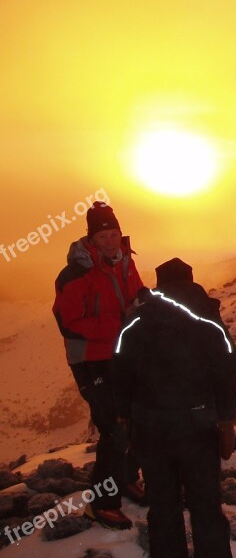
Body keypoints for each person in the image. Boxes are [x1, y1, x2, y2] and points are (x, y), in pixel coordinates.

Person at [113, 258, 236, 558]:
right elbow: (227, 371)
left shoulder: (135, 322)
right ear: (192, 281)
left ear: (159, 286)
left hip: (150, 428)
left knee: (163, 505)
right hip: (198, 426)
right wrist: (226, 420)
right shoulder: (209, 321)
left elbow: (120, 372)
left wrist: (126, 418)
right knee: (206, 505)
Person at [53, 201, 147, 530]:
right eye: (103, 235)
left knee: (136, 416)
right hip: (91, 362)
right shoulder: (75, 273)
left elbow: (133, 295)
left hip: (122, 354)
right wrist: (120, 323)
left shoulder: (124, 261)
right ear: (91, 239)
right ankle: (101, 503)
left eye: (114, 233)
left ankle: (124, 478)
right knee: (114, 428)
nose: (110, 241)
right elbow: (69, 322)